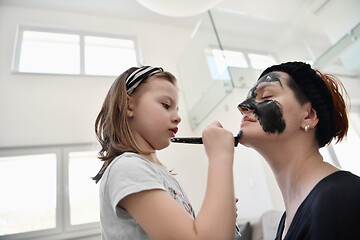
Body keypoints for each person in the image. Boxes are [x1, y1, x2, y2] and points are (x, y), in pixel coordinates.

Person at [92, 66, 237, 240]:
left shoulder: (158, 172)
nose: (177, 117)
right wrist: (220, 156)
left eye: (176, 109)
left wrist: (219, 219)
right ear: (127, 105)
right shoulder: (127, 168)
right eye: (166, 105)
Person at [237, 61, 360, 239]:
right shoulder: (286, 221)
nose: (242, 107)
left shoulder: (341, 198)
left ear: (308, 116)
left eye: (266, 96)